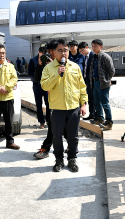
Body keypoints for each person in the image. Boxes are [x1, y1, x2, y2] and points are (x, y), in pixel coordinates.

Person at [40, 39, 88, 173]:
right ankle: (59, 160)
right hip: (57, 109)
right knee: (57, 136)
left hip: (73, 108)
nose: (63, 53)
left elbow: (82, 87)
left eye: (65, 50)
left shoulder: (75, 67)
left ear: (69, 51)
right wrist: (57, 74)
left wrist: (83, 104)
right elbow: (45, 86)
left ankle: (72, 159)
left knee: (73, 136)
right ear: (54, 52)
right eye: (60, 50)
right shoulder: (49, 68)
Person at [89, 39, 115, 131]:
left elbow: (112, 71)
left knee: (105, 103)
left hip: (103, 83)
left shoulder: (105, 56)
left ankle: (109, 122)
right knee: (97, 102)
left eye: (95, 46)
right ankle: (100, 118)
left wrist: (106, 80)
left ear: (101, 47)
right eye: (92, 46)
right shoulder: (94, 57)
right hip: (95, 82)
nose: (93, 47)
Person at [28, 45, 50, 128]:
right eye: (41, 52)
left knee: (49, 103)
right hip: (37, 85)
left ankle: (48, 120)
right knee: (39, 104)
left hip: (47, 85)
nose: (43, 55)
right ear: (38, 52)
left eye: (44, 52)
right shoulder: (33, 60)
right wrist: (38, 67)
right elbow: (29, 73)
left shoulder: (48, 59)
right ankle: (41, 122)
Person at [78, 42, 95, 121]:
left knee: (95, 99)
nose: (82, 53)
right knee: (90, 98)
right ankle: (91, 114)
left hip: (93, 81)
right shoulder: (85, 57)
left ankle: (96, 115)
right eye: (80, 52)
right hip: (87, 80)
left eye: (82, 50)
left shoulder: (93, 55)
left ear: (86, 47)